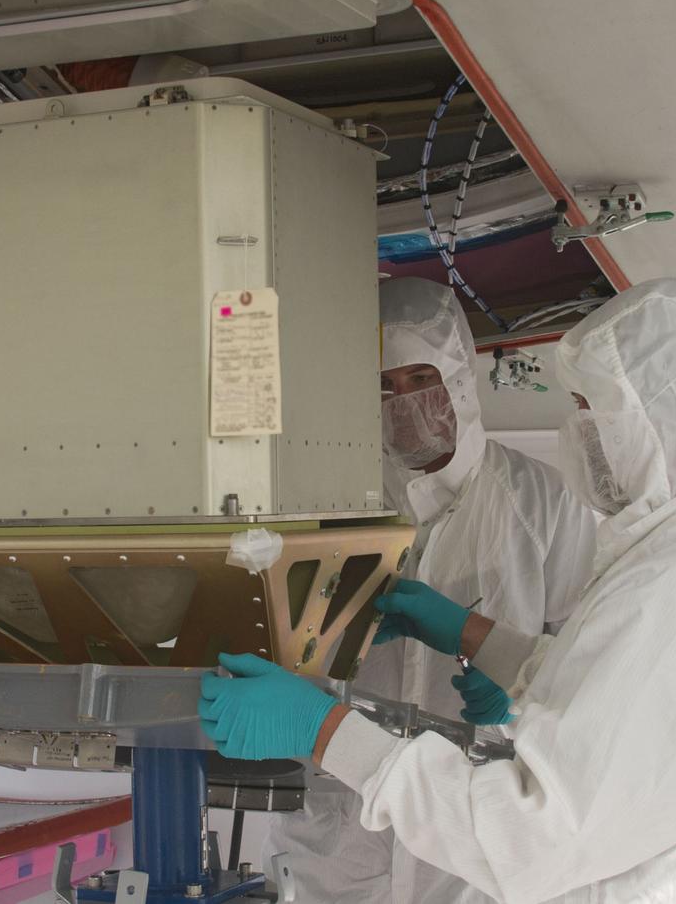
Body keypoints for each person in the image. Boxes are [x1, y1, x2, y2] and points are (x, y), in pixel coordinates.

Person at [200, 278, 676, 903]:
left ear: (647, 415)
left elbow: (535, 835)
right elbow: (615, 693)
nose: (580, 430)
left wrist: (324, 729)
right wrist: (481, 639)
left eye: (589, 408)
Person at [261, 276, 596, 903]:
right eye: (383, 386)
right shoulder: (331, 499)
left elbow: (582, 668)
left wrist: (515, 698)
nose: (404, 402)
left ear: (461, 379)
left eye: (420, 378)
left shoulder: (544, 501)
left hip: (471, 830)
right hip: (339, 832)